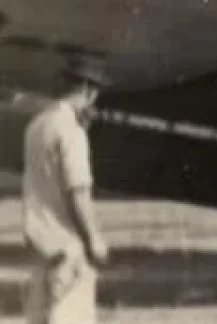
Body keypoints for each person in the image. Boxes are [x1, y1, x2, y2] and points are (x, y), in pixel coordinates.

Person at [23, 55, 111, 324]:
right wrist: (94, 239)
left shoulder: (36, 125)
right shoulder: (71, 131)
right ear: (87, 89)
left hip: (41, 246)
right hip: (68, 248)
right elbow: (77, 192)